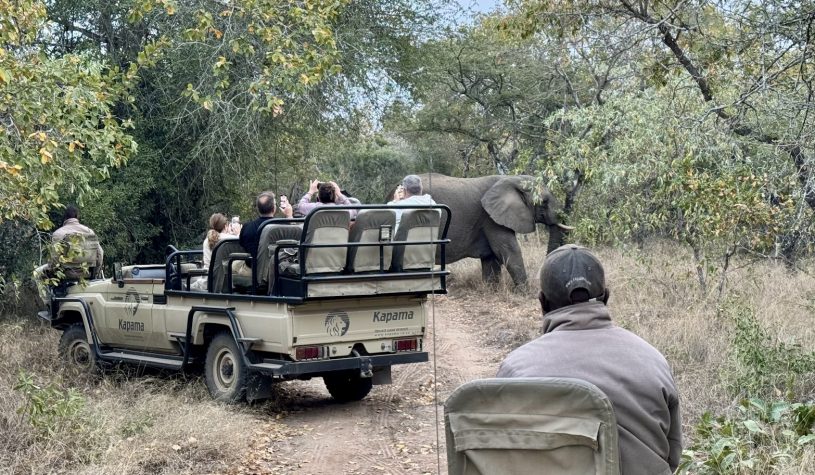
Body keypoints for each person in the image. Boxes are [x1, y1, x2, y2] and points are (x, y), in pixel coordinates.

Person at [496, 245, 681, 475]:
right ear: (606, 297)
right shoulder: (653, 361)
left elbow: (503, 457)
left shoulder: (516, 369)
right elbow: (672, 457)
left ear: (542, 303)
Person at [34, 205, 104, 301]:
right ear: (77, 216)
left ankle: (48, 303)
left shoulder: (58, 234)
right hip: (86, 273)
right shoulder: (90, 232)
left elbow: (54, 260)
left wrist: (50, 272)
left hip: (66, 274)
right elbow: (100, 254)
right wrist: (94, 273)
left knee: (37, 273)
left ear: (65, 217)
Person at [235, 191, 292, 276]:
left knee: (233, 264)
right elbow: (295, 239)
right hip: (276, 270)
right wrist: (289, 216)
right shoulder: (282, 227)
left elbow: (242, 245)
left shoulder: (247, 227)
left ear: (258, 209)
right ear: (274, 208)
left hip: (253, 270)